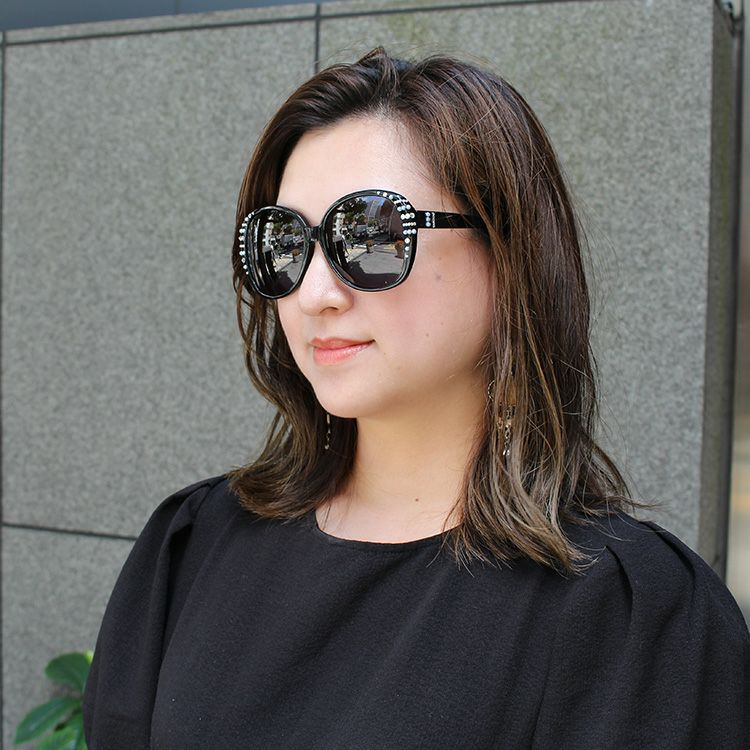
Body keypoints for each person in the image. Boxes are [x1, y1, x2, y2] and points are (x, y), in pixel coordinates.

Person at [82, 47, 750, 749]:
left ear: (507, 251)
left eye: (370, 234)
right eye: (286, 243)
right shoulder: (195, 545)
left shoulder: (631, 620)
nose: (315, 294)